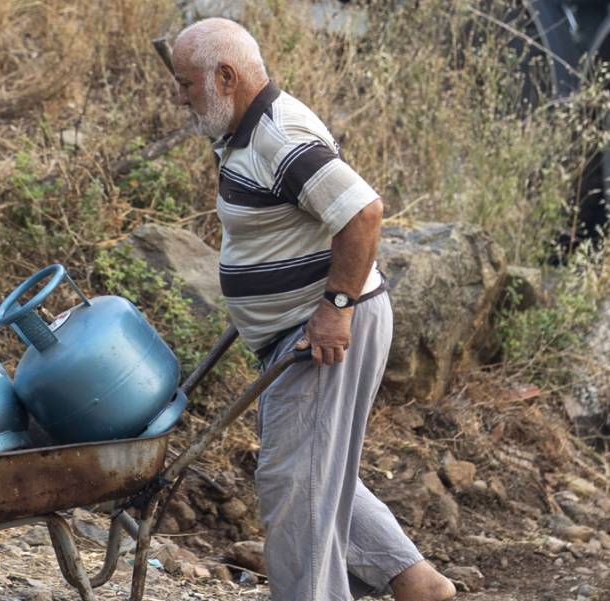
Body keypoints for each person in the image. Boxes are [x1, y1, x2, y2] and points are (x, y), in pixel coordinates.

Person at [171, 18, 457, 601]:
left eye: (186, 86)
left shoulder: (280, 137)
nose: (181, 100)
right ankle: (415, 582)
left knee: (294, 486)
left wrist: (335, 306)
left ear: (226, 77)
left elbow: (363, 214)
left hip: (322, 331)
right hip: (295, 329)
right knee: (315, 474)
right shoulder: (243, 131)